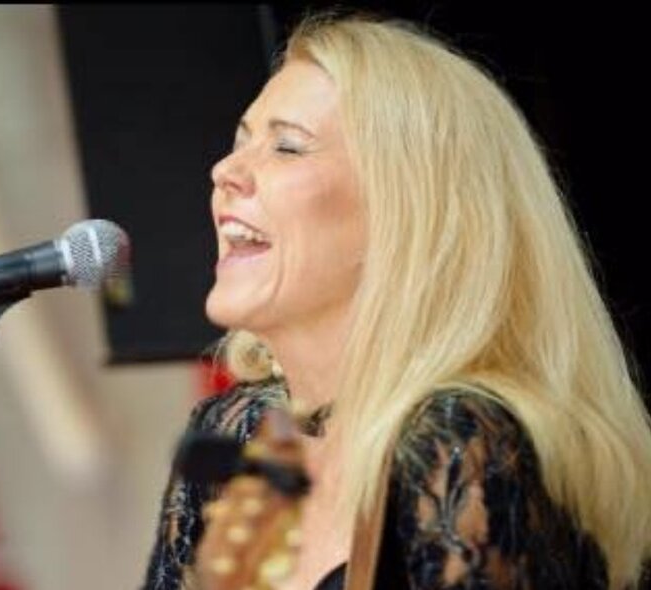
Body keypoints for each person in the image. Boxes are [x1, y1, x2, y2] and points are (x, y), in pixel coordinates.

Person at [142, 10, 651, 590]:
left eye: (286, 147)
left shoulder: (461, 439)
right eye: (239, 143)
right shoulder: (242, 430)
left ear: (405, 213)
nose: (225, 170)